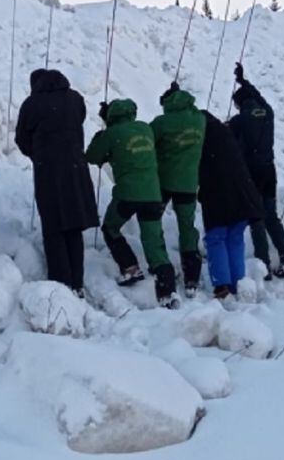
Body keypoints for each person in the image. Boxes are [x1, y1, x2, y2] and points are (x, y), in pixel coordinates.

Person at [84, 98, 179, 308]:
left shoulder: (110, 134)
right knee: (154, 242)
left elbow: (92, 157)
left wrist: (104, 133)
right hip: (153, 194)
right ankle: (167, 292)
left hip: (127, 194)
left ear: (110, 116)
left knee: (110, 227)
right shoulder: (145, 129)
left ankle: (130, 268)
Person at [15, 69, 98, 294]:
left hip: (49, 171)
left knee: (53, 228)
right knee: (73, 227)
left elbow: (21, 140)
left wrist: (38, 153)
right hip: (76, 169)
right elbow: (79, 119)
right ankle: (77, 283)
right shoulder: (75, 98)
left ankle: (61, 285)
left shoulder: (31, 104)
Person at [228, 63, 284, 279]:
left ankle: (263, 264)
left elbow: (232, 146)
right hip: (269, 171)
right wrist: (243, 80)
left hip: (251, 173)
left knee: (256, 217)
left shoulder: (239, 121)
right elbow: (256, 96)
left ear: (239, 104)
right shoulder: (268, 112)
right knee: (271, 216)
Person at [199, 111, 264, 299]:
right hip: (244, 193)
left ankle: (222, 285)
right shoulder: (226, 135)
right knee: (235, 238)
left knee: (216, 238)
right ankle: (238, 284)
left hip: (218, 194)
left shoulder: (203, 139)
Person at [150, 83, 205, 295]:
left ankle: (160, 264)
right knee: (188, 228)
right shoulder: (199, 119)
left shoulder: (163, 123)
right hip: (189, 184)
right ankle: (192, 276)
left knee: (153, 223)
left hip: (163, 182)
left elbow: (148, 139)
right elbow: (192, 109)